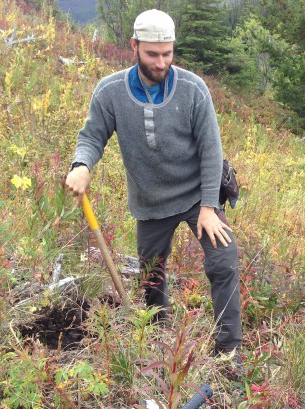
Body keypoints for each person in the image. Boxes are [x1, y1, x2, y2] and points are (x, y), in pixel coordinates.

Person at [65, 9, 242, 373]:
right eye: (152, 54)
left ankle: (228, 353)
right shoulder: (111, 91)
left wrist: (209, 206)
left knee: (224, 260)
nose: (161, 62)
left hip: (196, 197)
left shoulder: (193, 89)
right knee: (151, 276)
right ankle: (159, 344)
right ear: (134, 46)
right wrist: (81, 165)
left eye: (167, 53)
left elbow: (212, 150)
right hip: (149, 203)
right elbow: (92, 136)